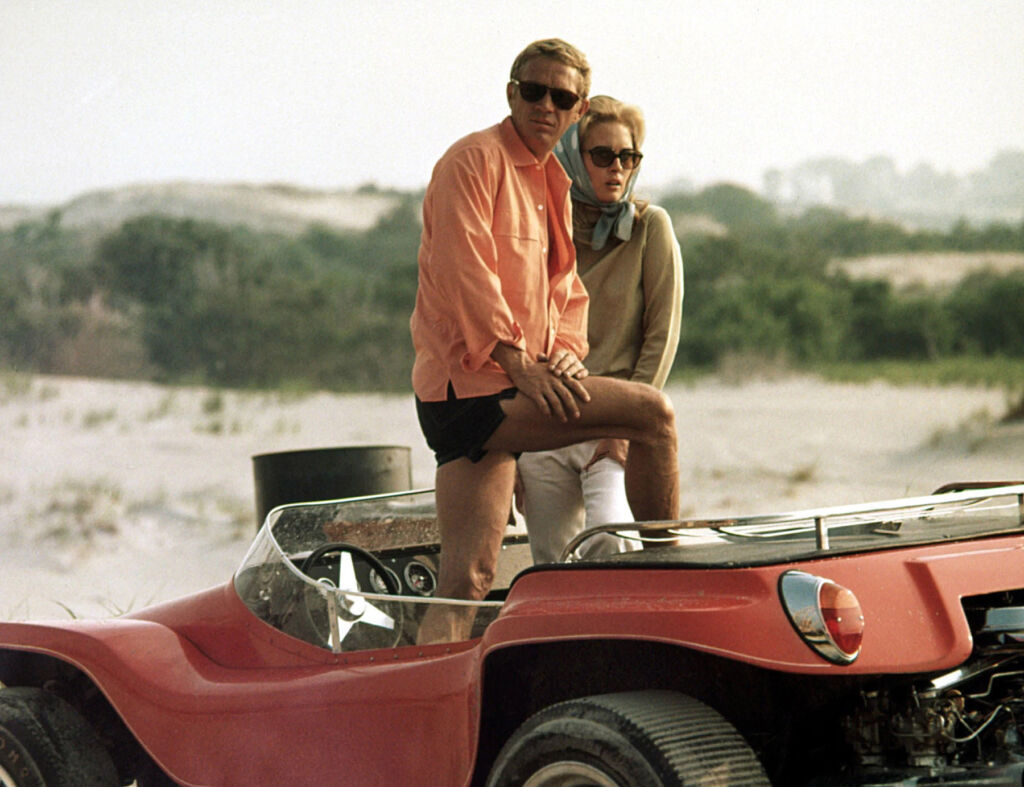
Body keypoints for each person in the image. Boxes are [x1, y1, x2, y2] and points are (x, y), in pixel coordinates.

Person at [410, 39, 680, 644]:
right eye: (534, 91)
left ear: (577, 109)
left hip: (500, 392)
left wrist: (563, 349)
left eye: (562, 97)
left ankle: (426, 703)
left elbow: (564, 289)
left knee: (468, 578)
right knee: (653, 415)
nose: (545, 106)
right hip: (472, 390)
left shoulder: (552, 181)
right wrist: (519, 363)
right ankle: (676, 586)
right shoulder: (471, 162)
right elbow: (465, 273)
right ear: (512, 94)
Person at [517, 96, 683, 564]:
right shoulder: (542, 230)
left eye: (628, 157)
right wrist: (510, 452)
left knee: (612, 545)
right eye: (602, 156)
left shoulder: (652, 227)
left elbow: (661, 337)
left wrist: (628, 425)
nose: (617, 168)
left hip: (615, 416)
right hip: (546, 421)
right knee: (550, 562)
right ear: (572, 156)